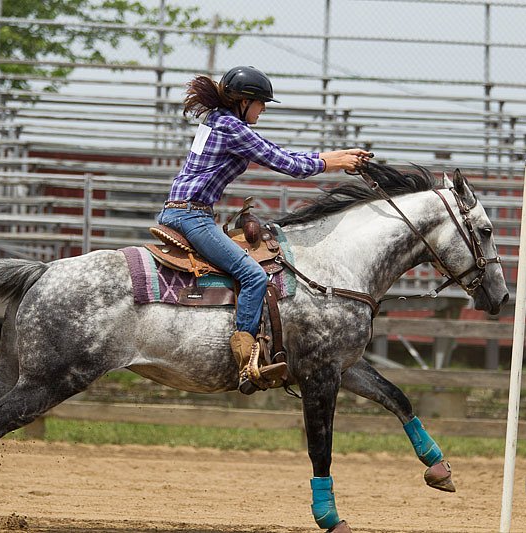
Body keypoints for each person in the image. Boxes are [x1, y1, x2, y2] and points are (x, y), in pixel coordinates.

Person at [157, 65, 371, 394]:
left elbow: (279, 153)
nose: (264, 109)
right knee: (254, 275)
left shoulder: (219, 121)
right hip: (192, 216)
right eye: (261, 103)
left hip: (184, 211)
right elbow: (287, 164)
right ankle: (246, 360)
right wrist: (336, 162)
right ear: (244, 101)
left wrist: (335, 156)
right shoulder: (232, 128)